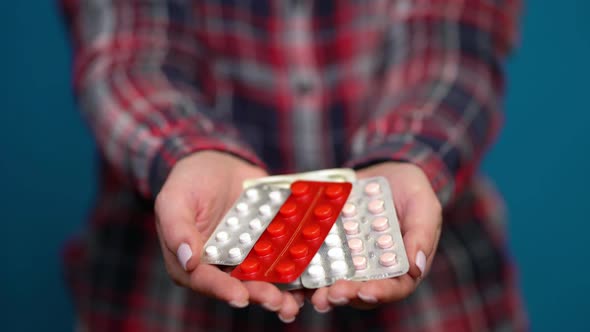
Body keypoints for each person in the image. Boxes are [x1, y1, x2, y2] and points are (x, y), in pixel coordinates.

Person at [61, 0, 528, 330]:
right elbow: (129, 51)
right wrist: (189, 151)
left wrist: (406, 157)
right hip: (160, 304)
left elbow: (450, 51)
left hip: (440, 304)